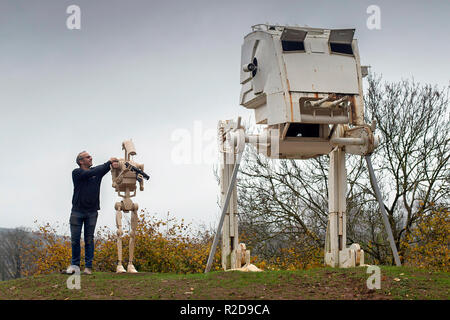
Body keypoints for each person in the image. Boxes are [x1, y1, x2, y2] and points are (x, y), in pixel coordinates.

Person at [66, 151, 119, 275]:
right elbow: (93, 172)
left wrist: (115, 163)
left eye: (90, 156)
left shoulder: (97, 172)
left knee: (89, 239)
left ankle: (88, 267)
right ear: (81, 161)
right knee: (75, 240)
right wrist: (108, 162)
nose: (91, 158)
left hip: (92, 212)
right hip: (77, 212)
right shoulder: (77, 172)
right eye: (87, 157)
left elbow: (104, 168)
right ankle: (75, 266)